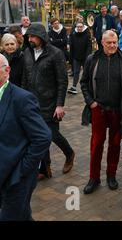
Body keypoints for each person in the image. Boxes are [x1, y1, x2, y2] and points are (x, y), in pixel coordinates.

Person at [80, 30, 122, 194]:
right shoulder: (93, 59)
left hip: (118, 109)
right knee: (96, 144)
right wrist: (90, 102)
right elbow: (84, 83)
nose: (112, 45)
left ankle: (111, 175)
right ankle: (94, 177)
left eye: (115, 42)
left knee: (115, 144)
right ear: (102, 43)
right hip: (99, 109)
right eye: (109, 43)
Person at [0, 54, 52, 221]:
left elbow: (43, 137)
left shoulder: (22, 99)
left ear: (6, 71)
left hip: (16, 177)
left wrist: (23, 169)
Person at [21, 23, 75, 180]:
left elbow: (62, 81)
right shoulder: (27, 53)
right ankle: (45, 169)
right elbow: (25, 77)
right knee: (39, 136)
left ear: (41, 37)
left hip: (50, 103)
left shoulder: (55, 54)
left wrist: (59, 104)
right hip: (32, 102)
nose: (29, 39)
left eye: (32, 36)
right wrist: (24, 99)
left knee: (51, 134)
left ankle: (69, 153)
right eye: (28, 36)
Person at [68, 22, 92, 95]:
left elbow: (89, 46)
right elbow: (71, 46)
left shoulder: (87, 35)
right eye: (78, 27)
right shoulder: (73, 35)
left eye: (80, 27)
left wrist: (88, 56)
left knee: (87, 72)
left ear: (83, 27)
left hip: (85, 57)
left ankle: (89, 86)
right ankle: (74, 87)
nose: (79, 28)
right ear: (76, 27)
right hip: (76, 57)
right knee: (76, 72)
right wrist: (71, 57)